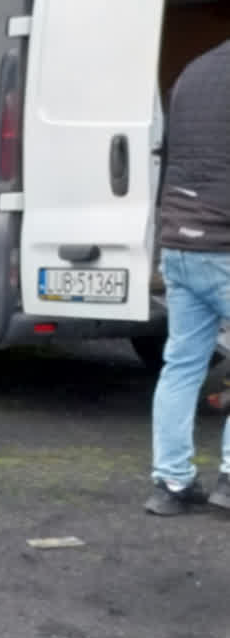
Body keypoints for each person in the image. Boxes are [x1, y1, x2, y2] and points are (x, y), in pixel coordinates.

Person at [146, 39, 230, 516]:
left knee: (181, 365)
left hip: (179, 240)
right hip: (224, 243)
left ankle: (171, 484)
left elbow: (170, 153)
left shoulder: (193, 71)